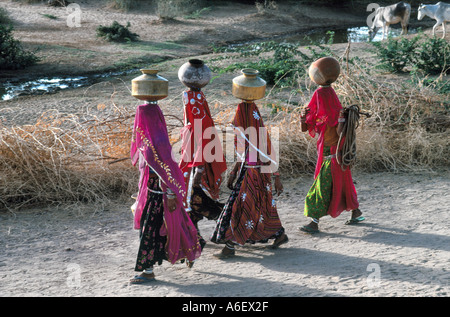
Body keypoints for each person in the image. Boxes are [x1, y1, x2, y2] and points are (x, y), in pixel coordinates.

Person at [129, 101, 201, 284]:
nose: (137, 122)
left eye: (140, 117)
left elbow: (168, 169)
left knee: (156, 230)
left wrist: (170, 195)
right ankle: (186, 254)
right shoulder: (149, 139)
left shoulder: (158, 141)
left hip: (160, 196)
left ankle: (148, 270)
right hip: (152, 193)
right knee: (166, 228)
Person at [211, 100, 288, 258]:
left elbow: (270, 155)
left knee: (243, 206)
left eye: (238, 118)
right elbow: (242, 156)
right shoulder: (246, 135)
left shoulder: (259, 136)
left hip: (256, 175)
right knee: (260, 208)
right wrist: (233, 173)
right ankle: (279, 234)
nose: (235, 122)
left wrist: (277, 178)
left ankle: (230, 245)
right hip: (247, 173)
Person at [299, 73, 363, 234]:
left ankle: (314, 222)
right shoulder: (321, 117)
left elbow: (340, 134)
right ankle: (356, 212)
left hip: (334, 159)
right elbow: (306, 128)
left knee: (320, 189)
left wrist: (341, 119)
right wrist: (302, 119)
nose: (316, 102)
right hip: (335, 159)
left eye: (318, 100)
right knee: (343, 186)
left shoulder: (337, 116)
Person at [179, 87, 227, 250]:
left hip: (198, 166)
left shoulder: (196, 108)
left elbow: (203, 138)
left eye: (185, 100)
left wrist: (198, 169)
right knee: (194, 202)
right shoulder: (195, 104)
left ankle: (229, 229)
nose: (184, 102)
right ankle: (197, 237)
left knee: (193, 202)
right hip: (193, 164)